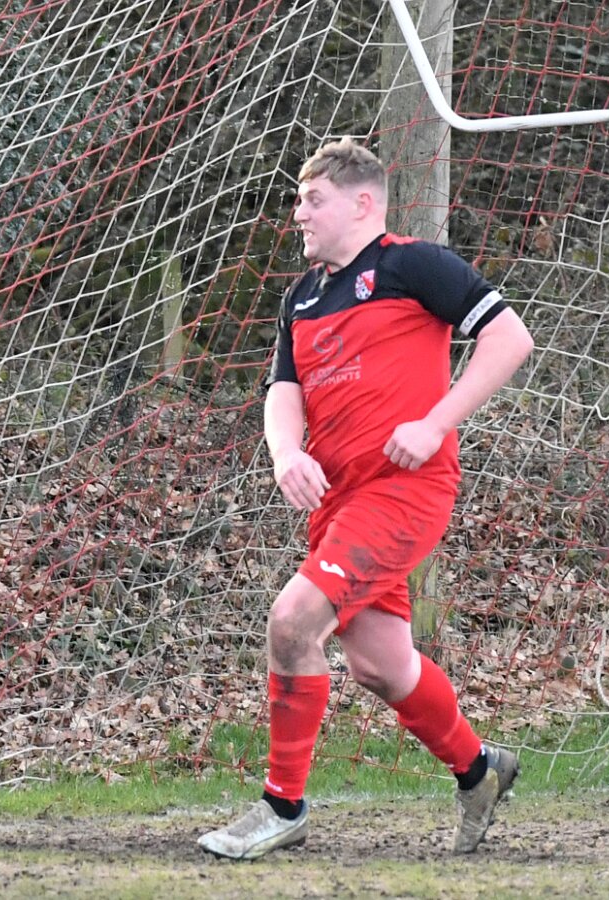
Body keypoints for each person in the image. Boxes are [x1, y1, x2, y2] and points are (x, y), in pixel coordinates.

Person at [197, 138, 535, 859]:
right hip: (340, 504)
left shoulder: (414, 265)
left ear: (361, 203)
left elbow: (510, 339)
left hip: (404, 490)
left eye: (311, 200)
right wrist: (286, 453)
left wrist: (435, 422)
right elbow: (283, 392)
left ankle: (282, 807)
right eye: (297, 201)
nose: (298, 214)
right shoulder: (302, 296)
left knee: (293, 622)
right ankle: (479, 771)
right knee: (381, 665)